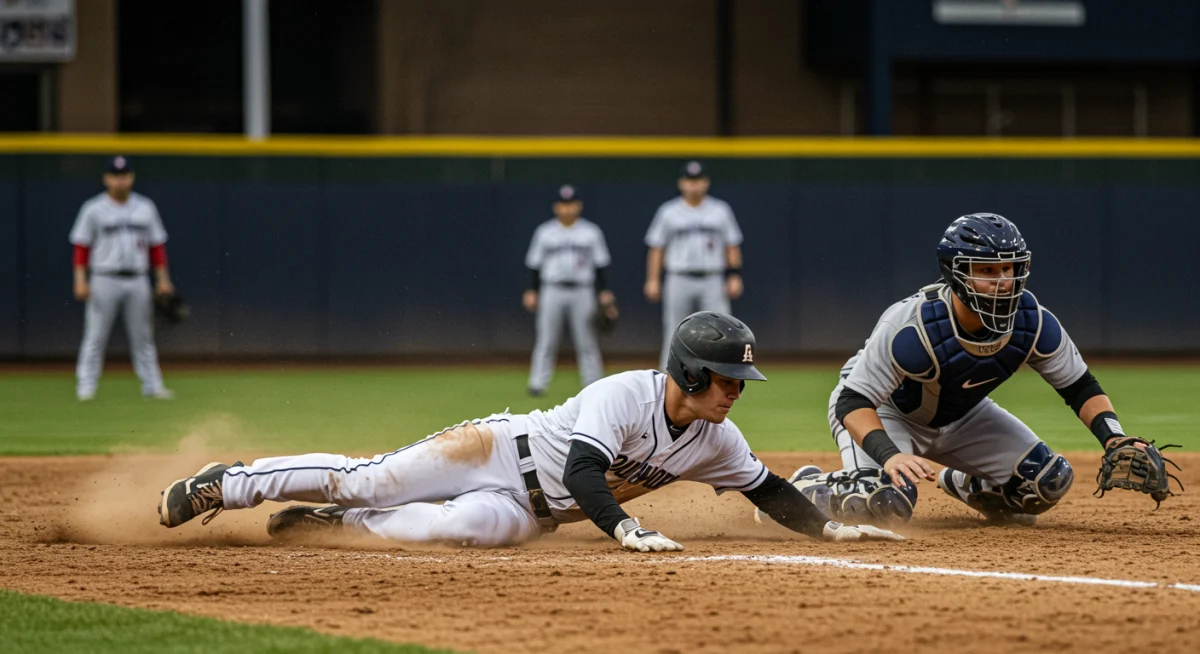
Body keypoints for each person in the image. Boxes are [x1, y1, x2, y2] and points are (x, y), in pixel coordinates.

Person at [158, 312, 903, 550]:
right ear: (687, 371)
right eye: (725, 378)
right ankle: (231, 484)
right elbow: (583, 471)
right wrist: (625, 529)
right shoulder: (623, 394)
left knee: (451, 532)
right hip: (491, 451)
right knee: (369, 477)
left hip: (529, 513)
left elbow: (768, 489)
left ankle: (338, 525)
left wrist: (830, 529)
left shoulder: (716, 439)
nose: (735, 391)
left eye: (740, 380)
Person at [762, 213, 1164, 528]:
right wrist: (889, 455)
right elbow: (853, 401)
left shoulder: (1034, 322)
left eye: (1009, 269)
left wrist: (1113, 436)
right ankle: (805, 488)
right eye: (987, 271)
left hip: (963, 416)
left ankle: (963, 483)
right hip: (884, 413)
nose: (1002, 281)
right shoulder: (913, 326)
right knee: (883, 504)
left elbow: (1079, 386)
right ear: (955, 272)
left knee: (1044, 483)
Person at [69, 156, 174, 401]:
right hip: (104, 277)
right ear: (106, 179)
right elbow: (81, 248)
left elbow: (156, 247)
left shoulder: (145, 207)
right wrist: (80, 280)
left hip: (138, 278)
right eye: (115, 176)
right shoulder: (93, 208)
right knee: (95, 336)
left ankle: (152, 386)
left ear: (132, 178)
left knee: (143, 337)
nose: (120, 180)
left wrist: (163, 279)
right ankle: (86, 386)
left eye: (124, 175)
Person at [644, 161, 745, 370]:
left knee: (722, 330)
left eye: (698, 180)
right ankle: (668, 379)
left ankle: (723, 376)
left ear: (706, 183)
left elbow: (732, 245)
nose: (694, 185)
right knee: (675, 331)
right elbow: (657, 248)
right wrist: (653, 279)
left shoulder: (720, 210)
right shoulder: (669, 211)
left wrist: (734, 275)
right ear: (681, 183)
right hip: (678, 277)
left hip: (713, 278)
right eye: (689, 180)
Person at [523, 185, 617, 396]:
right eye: (563, 204)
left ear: (579, 206)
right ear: (556, 207)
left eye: (571, 203)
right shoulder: (544, 232)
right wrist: (532, 290)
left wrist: (604, 290)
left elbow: (601, 264)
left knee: (587, 340)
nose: (567, 208)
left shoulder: (591, 232)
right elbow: (535, 264)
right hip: (552, 289)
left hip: (582, 290)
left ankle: (593, 383)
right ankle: (538, 384)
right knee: (546, 339)